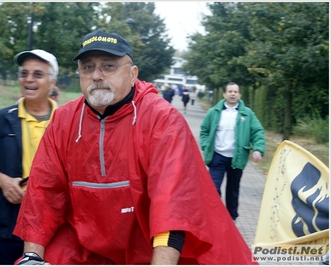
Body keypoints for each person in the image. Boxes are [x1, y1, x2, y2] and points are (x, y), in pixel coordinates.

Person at [13, 30, 257, 265]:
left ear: (132, 74)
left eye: (109, 66)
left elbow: (172, 205)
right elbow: (43, 192)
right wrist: (31, 257)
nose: (96, 75)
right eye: (88, 67)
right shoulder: (64, 120)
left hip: (148, 245)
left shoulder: (162, 119)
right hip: (84, 246)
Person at [0, 49, 59, 265]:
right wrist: (2, 181)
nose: (29, 79)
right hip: (7, 229)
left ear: (52, 82)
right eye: (24, 73)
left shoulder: (69, 122)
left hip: (56, 232)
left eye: (38, 74)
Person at [200, 82, 265, 222]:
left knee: (233, 191)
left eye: (235, 91)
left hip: (236, 158)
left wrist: (258, 149)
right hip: (217, 156)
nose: (232, 94)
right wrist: (206, 145)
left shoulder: (247, 114)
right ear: (224, 94)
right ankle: (213, 217)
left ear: (239, 95)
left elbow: (257, 131)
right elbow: (204, 130)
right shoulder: (214, 112)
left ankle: (231, 218)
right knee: (212, 188)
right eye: (230, 91)